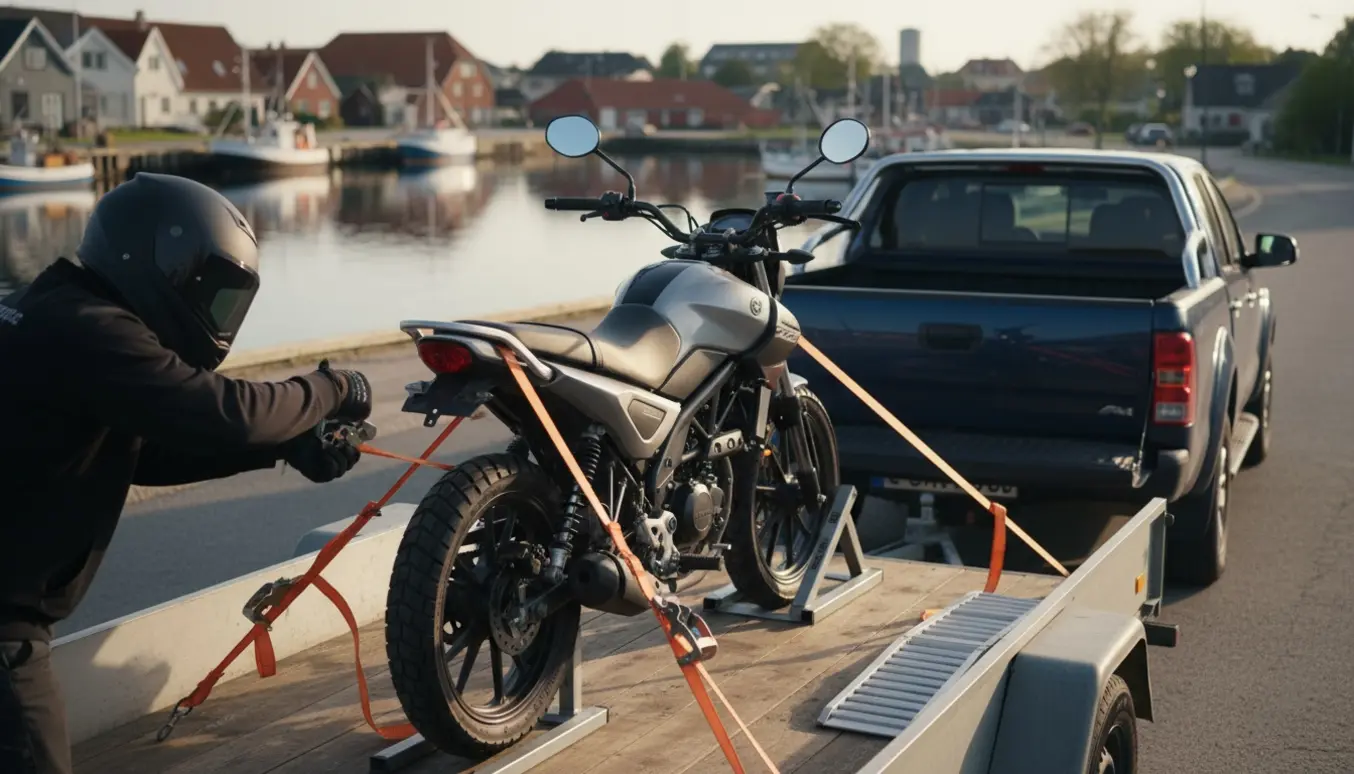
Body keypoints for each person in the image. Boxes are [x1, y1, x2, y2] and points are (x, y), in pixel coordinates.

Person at [0, 172, 375, 774]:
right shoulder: (92, 329)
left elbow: (143, 450)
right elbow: (230, 413)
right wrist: (329, 388)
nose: (217, 312)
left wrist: (289, 448)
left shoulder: (56, 307)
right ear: (162, 260)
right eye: (215, 292)